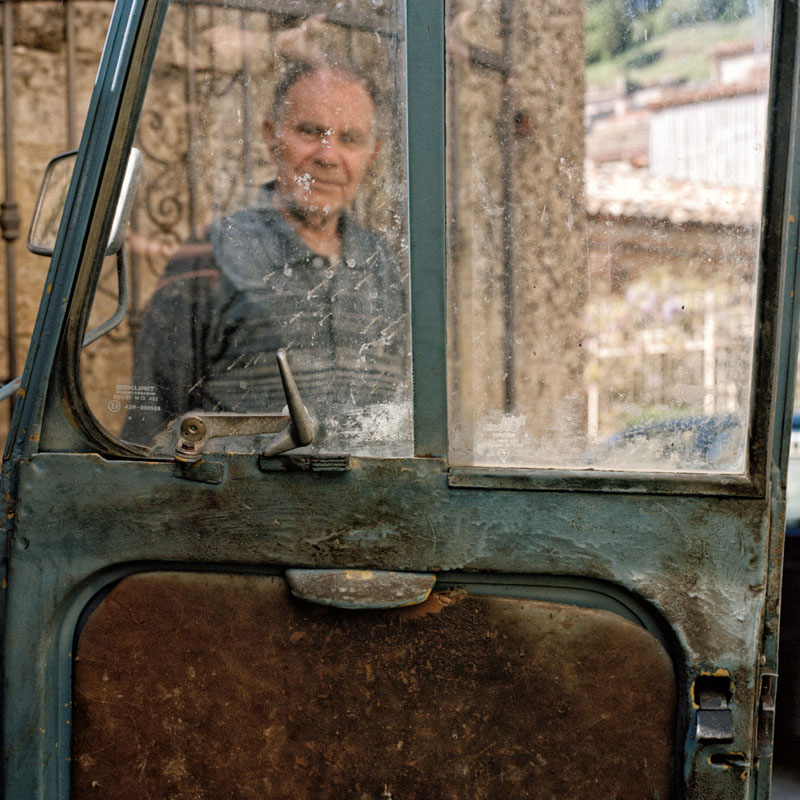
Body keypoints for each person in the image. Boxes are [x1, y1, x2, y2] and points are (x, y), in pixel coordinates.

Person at [123, 60, 410, 452]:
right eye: (310, 131)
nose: (328, 155)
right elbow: (153, 428)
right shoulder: (211, 255)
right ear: (271, 136)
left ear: (371, 154)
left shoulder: (386, 264)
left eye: (350, 139)